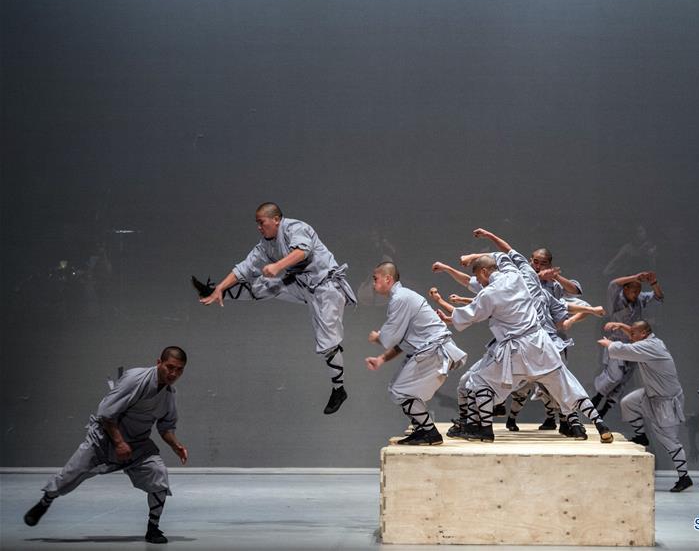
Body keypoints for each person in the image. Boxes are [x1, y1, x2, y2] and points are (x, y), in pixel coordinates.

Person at [192, 202, 356, 414]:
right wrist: (221, 286)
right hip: (301, 284)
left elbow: (302, 251)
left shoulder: (296, 228)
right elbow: (243, 268)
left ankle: (338, 389)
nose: (259, 227)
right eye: (257, 224)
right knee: (264, 285)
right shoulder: (264, 246)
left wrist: (278, 266)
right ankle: (214, 291)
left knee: (327, 343)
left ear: (276, 219)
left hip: (327, 287)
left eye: (262, 223)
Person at [437, 254, 613, 444]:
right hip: (542, 345)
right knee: (568, 385)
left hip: (517, 351)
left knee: (477, 381)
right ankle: (600, 424)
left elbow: (470, 315)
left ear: (484, 271)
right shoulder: (515, 275)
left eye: (479, 277)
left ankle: (482, 430)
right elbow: (506, 255)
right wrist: (476, 256)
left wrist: (449, 316)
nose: (479, 282)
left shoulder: (489, 293)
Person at [23, 347, 189, 544]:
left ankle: (153, 528)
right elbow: (106, 414)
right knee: (68, 476)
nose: (173, 374)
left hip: (138, 444)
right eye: (170, 367)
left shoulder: (170, 394)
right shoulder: (135, 379)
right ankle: (46, 501)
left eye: (179, 370)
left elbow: (165, 426)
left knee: (159, 473)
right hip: (103, 439)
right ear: (158, 362)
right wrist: (118, 442)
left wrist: (175, 445)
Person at [364, 262, 467, 445]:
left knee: (401, 390)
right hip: (431, 350)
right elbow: (402, 341)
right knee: (399, 388)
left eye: (375, 278)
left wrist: (377, 337)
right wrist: (381, 359)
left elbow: (389, 338)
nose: (373, 283)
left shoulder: (400, 299)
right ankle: (423, 430)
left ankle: (428, 432)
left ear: (388, 279)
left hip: (434, 350)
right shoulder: (402, 297)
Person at [598, 321, 691, 492]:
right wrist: (621, 325)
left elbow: (627, 350)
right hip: (650, 394)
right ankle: (641, 436)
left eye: (633, 333)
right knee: (628, 403)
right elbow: (634, 337)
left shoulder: (651, 347)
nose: (630, 336)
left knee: (670, 441)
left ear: (643, 334)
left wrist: (609, 344)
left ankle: (684, 477)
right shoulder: (650, 341)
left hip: (665, 401)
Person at [592, 271, 664, 418]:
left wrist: (654, 282)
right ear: (625, 289)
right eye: (633, 291)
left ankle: (604, 409)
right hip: (617, 342)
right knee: (615, 375)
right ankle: (597, 397)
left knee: (623, 380)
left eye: (638, 291)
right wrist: (635, 277)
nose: (636, 294)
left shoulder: (639, 299)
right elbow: (613, 283)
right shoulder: (616, 299)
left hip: (634, 345)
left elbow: (658, 297)